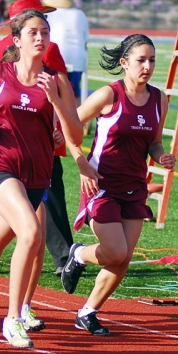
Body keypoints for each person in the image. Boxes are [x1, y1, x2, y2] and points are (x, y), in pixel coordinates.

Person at [0, 9, 82, 349]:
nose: (40, 38)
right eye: (33, 32)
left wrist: (55, 102)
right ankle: (13, 318)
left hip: (36, 174)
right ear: (17, 40)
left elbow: (76, 135)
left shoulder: (57, 81)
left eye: (45, 32)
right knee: (32, 232)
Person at [62, 34, 175, 336]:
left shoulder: (160, 99)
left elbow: (152, 142)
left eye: (152, 60)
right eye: (141, 60)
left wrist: (161, 156)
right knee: (115, 251)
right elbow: (71, 128)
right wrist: (81, 161)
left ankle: (88, 312)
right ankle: (79, 254)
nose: (148, 66)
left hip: (134, 186)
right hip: (102, 185)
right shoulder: (107, 96)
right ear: (124, 63)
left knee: (122, 258)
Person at [0, 0, 74, 278]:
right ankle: (62, 256)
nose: (42, 34)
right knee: (45, 208)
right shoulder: (49, 52)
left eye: (44, 26)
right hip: (34, 147)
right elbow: (58, 89)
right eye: (37, 22)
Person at [43, 0, 89, 132]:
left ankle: (55, 123)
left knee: (52, 91)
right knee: (74, 93)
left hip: (55, 55)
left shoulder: (50, 14)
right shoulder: (80, 14)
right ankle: (79, 122)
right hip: (77, 58)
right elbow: (85, 38)